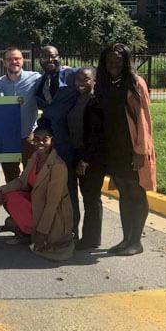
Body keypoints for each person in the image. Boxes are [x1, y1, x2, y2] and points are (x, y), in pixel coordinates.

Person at [97, 44, 156, 256]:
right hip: (114, 147)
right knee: (124, 192)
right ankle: (126, 239)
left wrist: (141, 150)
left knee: (136, 192)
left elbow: (143, 119)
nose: (114, 64)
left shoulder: (135, 83)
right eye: (110, 60)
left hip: (131, 146)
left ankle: (136, 241)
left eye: (119, 60)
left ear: (126, 61)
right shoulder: (105, 83)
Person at [0, 117, 75, 262]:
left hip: (52, 215)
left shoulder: (58, 166)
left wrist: (42, 233)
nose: (41, 143)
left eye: (45, 139)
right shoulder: (35, 156)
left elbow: (52, 203)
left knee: (38, 241)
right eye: (37, 139)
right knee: (10, 195)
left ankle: (36, 232)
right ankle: (27, 232)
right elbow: (22, 181)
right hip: (36, 205)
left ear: (52, 140)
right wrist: (2, 190)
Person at [35, 45, 81, 232]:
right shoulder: (41, 83)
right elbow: (48, 111)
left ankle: (74, 231)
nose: (50, 60)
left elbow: (91, 76)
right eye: (46, 58)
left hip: (74, 143)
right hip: (56, 146)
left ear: (59, 57)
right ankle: (60, 228)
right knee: (58, 190)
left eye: (53, 57)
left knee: (72, 190)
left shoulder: (71, 75)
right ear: (41, 61)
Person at [67, 67, 106, 248]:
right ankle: (76, 233)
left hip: (90, 159)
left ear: (95, 81)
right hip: (76, 153)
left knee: (91, 198)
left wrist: (86, 160)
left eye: (86, 79)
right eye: (78, 79)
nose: (81, 82)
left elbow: (98, 135)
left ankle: (91, 239)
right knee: (80, 196)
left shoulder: (97, 102)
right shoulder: (77, 100)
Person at [0, 47, 42, 182]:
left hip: (28, 137)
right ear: (4, 63)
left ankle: (32, 203)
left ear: (22, 60)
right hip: (7, 139)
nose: (14, 62)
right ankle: (14, 203)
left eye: (17, 58)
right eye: (9, 59)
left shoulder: (35, 78)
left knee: (32, 177)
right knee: (11, 179)